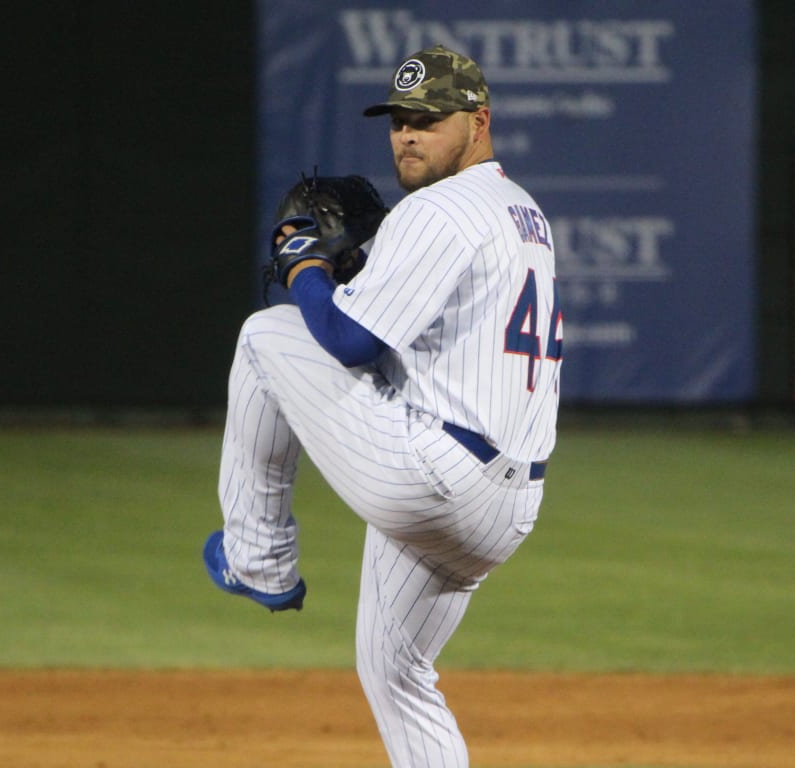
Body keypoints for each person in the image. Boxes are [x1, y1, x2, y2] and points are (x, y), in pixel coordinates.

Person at [203, 44, 562, 768]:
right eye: (399, 119)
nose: (408, 134)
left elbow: (346, 339)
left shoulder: (439, 211)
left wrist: (306, 262)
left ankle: (261, 561)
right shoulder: (522, 211)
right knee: (396, 674)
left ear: (479, 120)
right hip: (507, 507)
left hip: (432, 475)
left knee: (265, 336)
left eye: (429, 119)